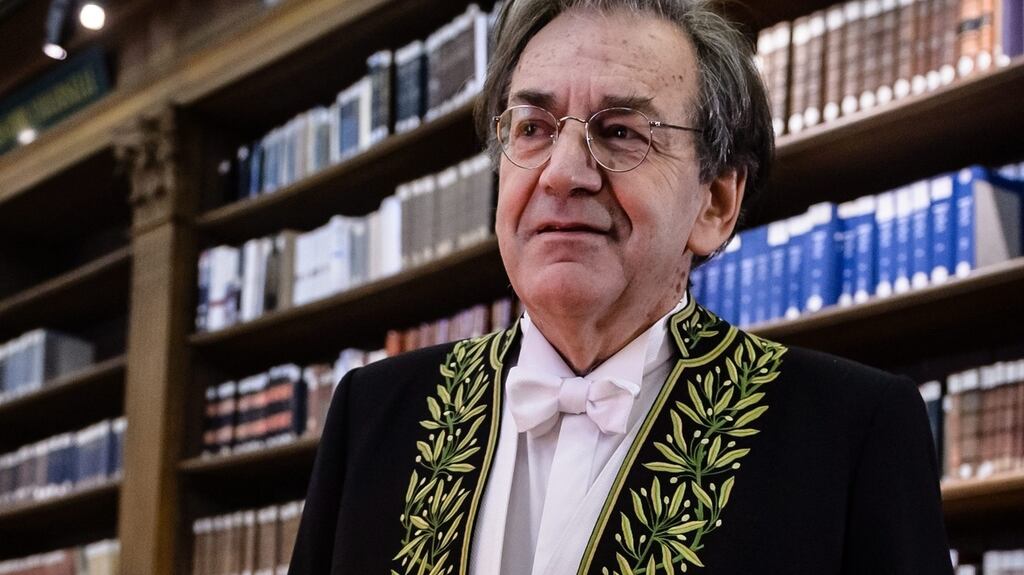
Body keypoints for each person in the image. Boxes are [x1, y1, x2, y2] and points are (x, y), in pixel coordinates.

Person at [289, 0, 953, 573]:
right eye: (533, 128)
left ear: (716, 202)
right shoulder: (370, 416)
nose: (562, 173)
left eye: (621, 132)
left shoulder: (853, 433)